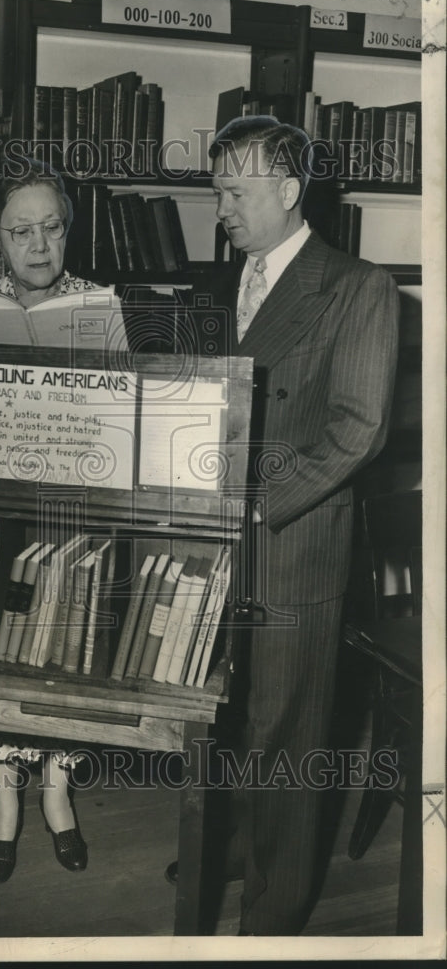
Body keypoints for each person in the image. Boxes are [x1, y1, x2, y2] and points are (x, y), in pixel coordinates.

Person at [164, 117, 399, 935]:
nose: (219, 205)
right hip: (212, 536)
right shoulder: (218, 283)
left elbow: (357, 430)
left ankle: (273, 910)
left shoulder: (357, 286)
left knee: (285, 730)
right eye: (217, 188)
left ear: (289, 191)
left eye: (236, 189)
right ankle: (235, 843)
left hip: (290, 540)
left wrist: (256, 504)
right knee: (223, 710)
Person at [0, 158, 97, 882]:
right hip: (0, 510)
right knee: (3, 642)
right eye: (20, 232)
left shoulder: (101, 306)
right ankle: (3, 796)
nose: (38, 246)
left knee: (63, 642)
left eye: (51, 229)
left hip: (75, 506)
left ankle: (58, 790)